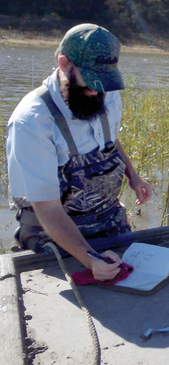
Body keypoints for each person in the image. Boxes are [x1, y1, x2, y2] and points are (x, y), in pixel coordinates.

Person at [7, 23, 152, 281]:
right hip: (51, 238)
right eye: (91, 83)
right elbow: (48, 209)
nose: (97, 91)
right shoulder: (32, 122)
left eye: (104, 83)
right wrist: (90, 259)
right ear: (64, 64)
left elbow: (110, 140)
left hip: (109, 224)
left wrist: (133, 175)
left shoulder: (105, 94)